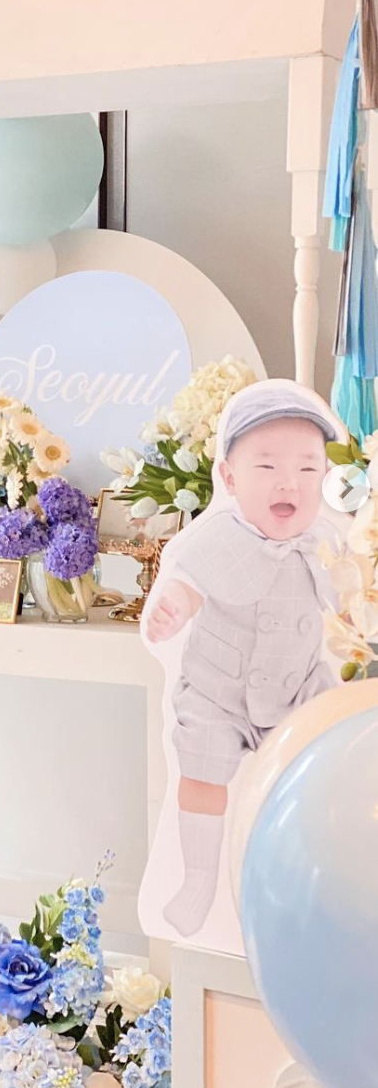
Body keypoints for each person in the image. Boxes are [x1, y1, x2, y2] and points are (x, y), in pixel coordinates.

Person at [144, 384, 337, 937]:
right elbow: (189, 583)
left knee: (322, 756)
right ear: (229, 478)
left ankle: (302, 869)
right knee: (202, 770)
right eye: (268, 466)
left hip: (296, 686)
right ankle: (200, 876)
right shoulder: (221, 538)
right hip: (220, 691)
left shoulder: (323, 541)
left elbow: (353, 598)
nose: (288, 482)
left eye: (307, 469)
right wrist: (172, 608)